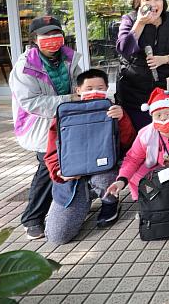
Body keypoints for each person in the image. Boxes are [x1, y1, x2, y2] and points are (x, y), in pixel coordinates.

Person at [43, 69, 136, 245]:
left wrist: (122, 119)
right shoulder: (64, 114)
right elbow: (51, 153)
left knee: (103, 176)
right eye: (89, 88)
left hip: (105, 171)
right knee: (58, 236)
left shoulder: (113, 110)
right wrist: (59, 173)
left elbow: (129, 144)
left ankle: (110, 202)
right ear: (78, 90)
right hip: (72, 179)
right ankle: (82, 200)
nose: (95, 91)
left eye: (100, 87)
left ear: (107, 88)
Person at [9, 15, 82, 240]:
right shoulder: (25, 67)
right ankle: (32, 218)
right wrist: (70, 100)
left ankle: (69, 204)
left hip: (65, 121)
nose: (52, 39)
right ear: (34, 39)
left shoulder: (70, 59)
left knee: (65, 163)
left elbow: (79, 85)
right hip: (38, 125)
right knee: (47, 167)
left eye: (55, 34)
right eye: (46, 35)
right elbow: (32, 103)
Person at [116, 0, 169, 130]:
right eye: (147, 0)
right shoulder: (130, 19)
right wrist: (140, 23)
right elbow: (124, 48)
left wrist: (166, 59)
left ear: (163, 2)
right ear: (139, 3)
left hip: (165, 88)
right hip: (134, 89)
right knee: (140, 133)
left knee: (167, 130)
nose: (153, 4)